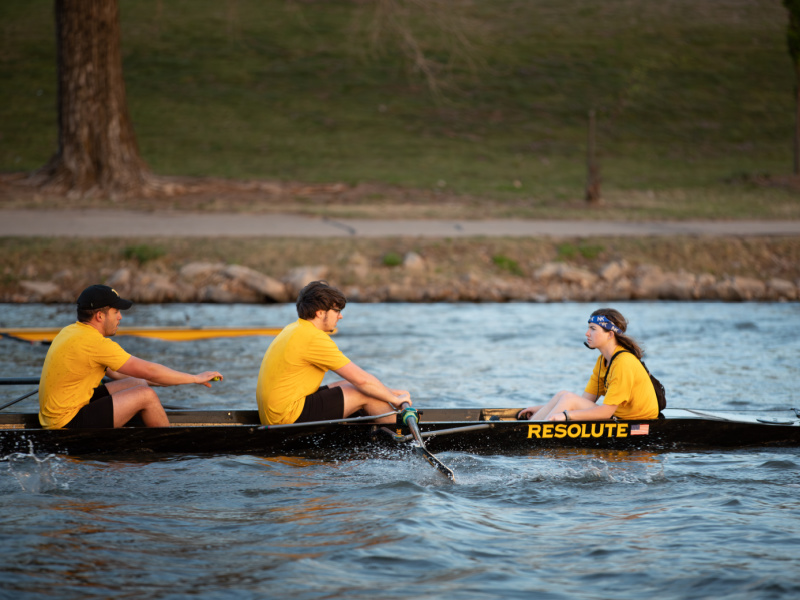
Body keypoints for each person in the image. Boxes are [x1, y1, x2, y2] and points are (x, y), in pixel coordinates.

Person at [39, 284, 222, 429]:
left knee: (139, 384)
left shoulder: (70, 331)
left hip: (59, 413)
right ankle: (170, 453)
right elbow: (149, 370)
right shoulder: (95, 344)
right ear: (100, 316)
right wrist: (194, 378)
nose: (120, 317)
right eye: (116, 312)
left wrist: (171, 380)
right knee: (146, 395)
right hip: (65, 423)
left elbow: (124, 375)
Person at [256, 281, 411, 426]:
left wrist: (392, 393)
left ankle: (390, 426)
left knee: (350, 385)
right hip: (286, 418)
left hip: (274, 414)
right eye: (337, 311)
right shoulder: (313, 338)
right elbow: (362, 381)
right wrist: (394, 400)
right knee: (363, 393)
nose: (340, 316)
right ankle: (402, 439)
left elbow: (355, 381)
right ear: (320, 313)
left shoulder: (294, 328)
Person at [518, 308, 658, 422]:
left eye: (593, 329)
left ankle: (527, 433)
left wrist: (566, 416)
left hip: (636, 420)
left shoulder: (623, 362)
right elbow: (583, 402)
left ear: (610, 335)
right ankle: (531, 426)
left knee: (568, 398)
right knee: (563, 394)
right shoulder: (602, 360)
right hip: (619, 415)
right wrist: (543, 408)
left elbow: (606, 411)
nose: (587, 333)